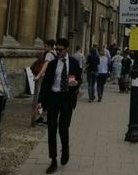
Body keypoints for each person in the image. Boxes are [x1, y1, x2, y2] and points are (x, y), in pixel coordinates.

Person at [38, 37, 82, 174]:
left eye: (60, 50)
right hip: (53, 97)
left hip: (67, 98)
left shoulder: (74, 63)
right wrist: (40, 101)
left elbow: (79, 78)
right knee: (51, 128)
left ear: (67, 49)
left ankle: (65, 150)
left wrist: (77, 84)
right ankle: (53, 160)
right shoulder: (52, 64)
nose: (58, 52)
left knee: (63, 128)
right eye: (56, 49)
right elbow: (45, 84)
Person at [33, 39, 57, 125]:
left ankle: (41, 117)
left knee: (42, 99)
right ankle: (43, 117)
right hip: (52, 80)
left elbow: (45, 66)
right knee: (47, 100)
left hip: (47, 80)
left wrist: (38, 75)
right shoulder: (55, 53)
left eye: (46, 46)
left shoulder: (49, 55)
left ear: (50, 46)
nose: (44, 48)